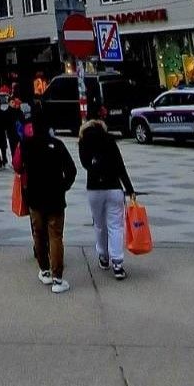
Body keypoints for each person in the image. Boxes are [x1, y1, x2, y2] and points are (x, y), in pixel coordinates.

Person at [13, 107, 77, 294]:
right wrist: (63, 186)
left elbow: (17, 166)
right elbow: (72, 170)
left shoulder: (26, 145)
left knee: (39, 234)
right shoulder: (57, 145)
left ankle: (44, 270)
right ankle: (58, 278)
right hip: (55, 197)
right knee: (56, 236)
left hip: (34, 197)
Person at [79, 116, 136, 281]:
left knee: (99, 225)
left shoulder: (83, 142)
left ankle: (103, 256)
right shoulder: (110, 140)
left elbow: (85, 164)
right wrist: (129, 188)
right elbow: (120, 166)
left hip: (94, 188)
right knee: (115, 226)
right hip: (114, 187)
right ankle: (118, 264)